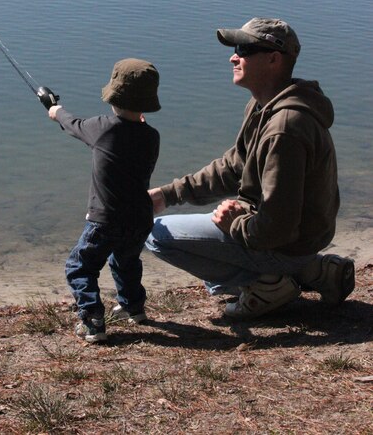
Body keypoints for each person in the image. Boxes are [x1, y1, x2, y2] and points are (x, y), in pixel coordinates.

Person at [146, 18, 355, 321]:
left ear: (273, 59)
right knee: (184, 223)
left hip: (284, 243)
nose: (234, 56)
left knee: (156, 236)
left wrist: (234, 224)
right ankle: (314, 271)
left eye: (244, 49)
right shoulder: (264, 107)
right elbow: (233, 168)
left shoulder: (284, 128)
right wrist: (167, 195)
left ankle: (267, 285)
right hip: (297, 241)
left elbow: (278, 227)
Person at [48, 58, 161, 343]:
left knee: (80, 266)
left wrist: (55, 110)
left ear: (113, 95)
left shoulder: (102, 128)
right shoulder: (151, 136)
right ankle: (134, 307)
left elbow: (72, 124)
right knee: (126, 261)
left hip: (105, 219)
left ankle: (92, 320)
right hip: (140, 218)